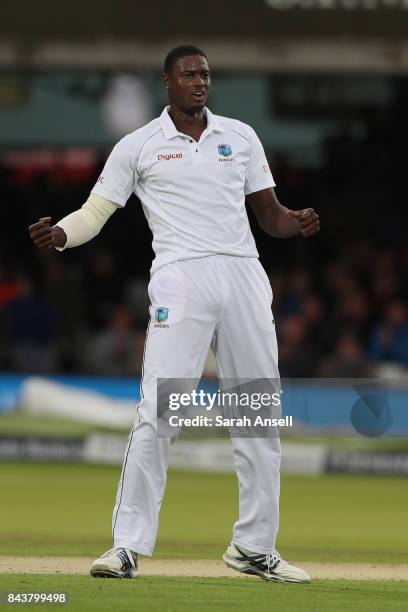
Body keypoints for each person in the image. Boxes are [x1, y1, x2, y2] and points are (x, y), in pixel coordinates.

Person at [29, 45, 319, 583]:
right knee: (161, 411)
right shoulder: (139, 145)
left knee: (257, 413)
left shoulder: (241, 136)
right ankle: (125, 547)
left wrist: (295, 221)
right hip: (181, 279)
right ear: (167, 81)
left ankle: (255, 548)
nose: (199, 81)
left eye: (205, 73)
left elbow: (270, 215)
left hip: (243, 276)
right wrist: (63, 234)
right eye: (188, 74)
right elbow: (97, 212)